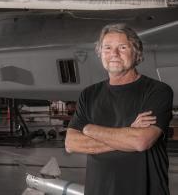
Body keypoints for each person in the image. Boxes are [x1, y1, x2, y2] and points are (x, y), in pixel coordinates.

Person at [65, 23, 173, 195]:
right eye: (107, 48)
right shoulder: (89, 94)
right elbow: (71, 143)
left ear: (136, 52)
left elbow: (140, 141)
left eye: (122, 47)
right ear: (100, 53)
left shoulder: (157, 91)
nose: (114, 54)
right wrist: (128, 133)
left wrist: (89, 129)